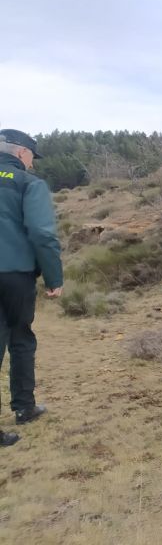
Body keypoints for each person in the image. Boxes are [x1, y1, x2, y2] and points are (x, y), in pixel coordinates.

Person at [0, 129, 63, 446]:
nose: (33, 164)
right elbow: (42, 234)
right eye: (31, 158)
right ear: (22, 153)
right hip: (14, 276)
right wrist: (54, 278)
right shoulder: (27, 183)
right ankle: (24, 408)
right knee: (21, 339)